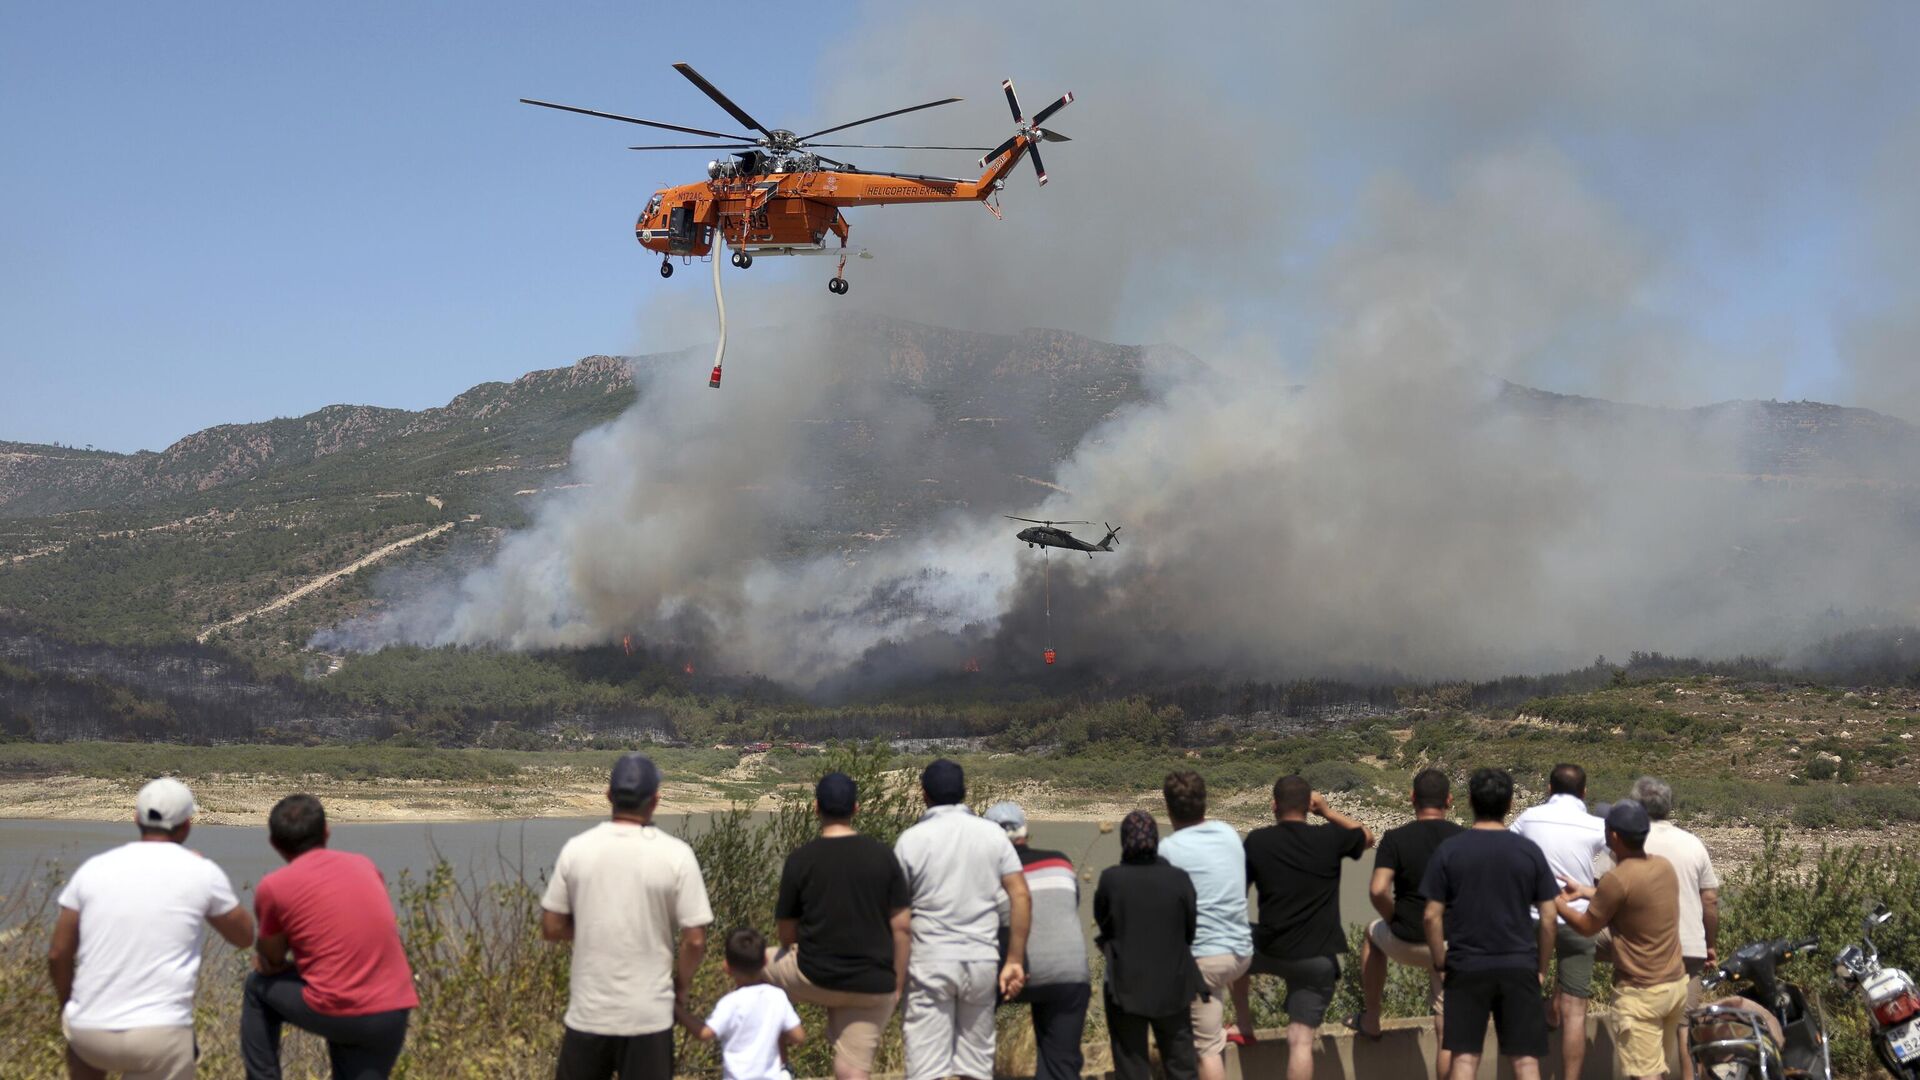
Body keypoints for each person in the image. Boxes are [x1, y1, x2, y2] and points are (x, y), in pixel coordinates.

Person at [49, 778, 255, 1080]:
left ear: (136, 819)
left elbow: (57, 954)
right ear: (186, 826)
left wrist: (68, 1005)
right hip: (161, 1034)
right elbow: (244, 936)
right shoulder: (201, 872)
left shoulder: (94, 868)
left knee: (82, 1050)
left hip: (90, 1029)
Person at [541, 754, 713, 1080]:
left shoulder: (577, 849)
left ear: (608, 796)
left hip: (589, 1014)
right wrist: (682, 986)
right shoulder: (676, 855)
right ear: (656, 800)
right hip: (649, 1015)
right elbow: (694, 940)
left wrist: (595, 924)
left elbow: (551, 927)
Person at [241, 794, 417, 1080]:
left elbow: (271, 960)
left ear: (274, 843)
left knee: (256, 987)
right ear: (326, 831)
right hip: (392, 1010)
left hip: (338, 1008)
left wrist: (282, 960)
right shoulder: (364, 865)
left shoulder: (274, 886)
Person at [893, 760, 1030, 1080]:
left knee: (926, 1068)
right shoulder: (993, 836)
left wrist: (897, 976)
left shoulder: (911, 840)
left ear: (923, 795)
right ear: (964, 792)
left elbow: (899, 917)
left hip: (929, 963)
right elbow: (1021, 895)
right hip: (980, 961)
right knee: (976, 1067)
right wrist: (1014, 960)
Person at [767, 772, 910, 1080]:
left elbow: (786, 931)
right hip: (873, 983)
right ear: (856, 808)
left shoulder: (801, 860)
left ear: (816, 808)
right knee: (852, 1069)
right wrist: (896, 984)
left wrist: (797, 949)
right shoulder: (883, 856)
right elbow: (902, 928)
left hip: (811, 973)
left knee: (749, 963)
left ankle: (775, 1065)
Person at [1232, 775, 1373, 1080]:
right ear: (1309, 806)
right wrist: (1328, 812)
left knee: (1234, 939)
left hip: (1269, 947)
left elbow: (1235, 898)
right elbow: (1368, 837)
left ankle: (1243, 1024)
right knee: (1300, 1041)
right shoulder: (1330, 838)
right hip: (1318, 958)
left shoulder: (1258, 841)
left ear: (1273, 805)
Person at [1421, 768, 1558, 1080]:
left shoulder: (1450, 851)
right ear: (1510, 805)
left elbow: (1431, 915)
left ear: (1469, 801)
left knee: (1465, 1059)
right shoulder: (1528, 851)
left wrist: (1441, 960)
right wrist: (1541, 967)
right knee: (1525, 1062)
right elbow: (1549, 917)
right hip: (1519, 964)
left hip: (1466, 964)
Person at [1555, 801, 1688, 1080]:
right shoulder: (1663, 867)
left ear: (1613, 836)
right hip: (1674, 986)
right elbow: (1632, 897)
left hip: (1642, 994)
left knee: (1645, 1075)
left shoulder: (1617, 879)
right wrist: (1586, 891)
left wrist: (1556, 903)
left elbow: (1586, 927)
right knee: (1658, 1068)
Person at [1355, 767, 1464, 1079]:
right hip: (1451, 945)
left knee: (1370, 934)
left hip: (1406, 941)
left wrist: (1394, 918)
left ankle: (1372, 1017)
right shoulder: (1462, 838)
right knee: (1447, 1033)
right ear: (1449, 800)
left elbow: (1377, 890)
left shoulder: (1395, 838)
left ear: (1412, 798)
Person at [1510, 762, 1607, 1080]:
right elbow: (1627, 863)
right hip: (1577, 918)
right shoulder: (1596, 825)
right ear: (1584, 792)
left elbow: (1506, 851)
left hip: (1532, 917)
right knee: (1575, 1012)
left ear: (1549, 789)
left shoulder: (1528, 818)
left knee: (1524, 999)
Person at [985, 800, 1092, 1080]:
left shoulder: (988, 873)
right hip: (1069, 972)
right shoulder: (1060, 861)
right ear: (1025, 832)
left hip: (1009, 971)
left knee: (971, 1045)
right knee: (1061, 1064)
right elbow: (1071, 903)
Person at [1157, 770, 1252, 1080]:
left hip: (1203, 962)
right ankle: (1240, 1024)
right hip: (1240, 955)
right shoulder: (1229, 834)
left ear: (1168, 808)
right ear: (1204, 803)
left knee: (1206, 1051)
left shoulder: (1167, 851)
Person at [1094, 810, 1202, 1080]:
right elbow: (1190, 930)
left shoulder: (1111, 879)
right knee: (1182, 1067)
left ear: (1123, 841)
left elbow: (1104, 923)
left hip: (1125, 988)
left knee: (1132, 1068)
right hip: (1174, 986)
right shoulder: (1179, 878)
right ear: (1155, 840)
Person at [1630, 776, 1721, 1080]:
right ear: (1669, 807)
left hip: (1644, 952)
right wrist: (1709, 944)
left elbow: (1601, 887)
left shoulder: (1629, 840)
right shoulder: (1692, 843)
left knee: (1646, 1030)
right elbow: (1710, 900)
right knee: (1685, 1028)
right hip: (1689, 949)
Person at [680, 927, 806, 1080]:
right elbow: (798, 1037)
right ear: (765, 961)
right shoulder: (777, 996)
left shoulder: (730, 1003)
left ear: (726, 967)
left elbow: (705, 1034)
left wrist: (677, 1010)